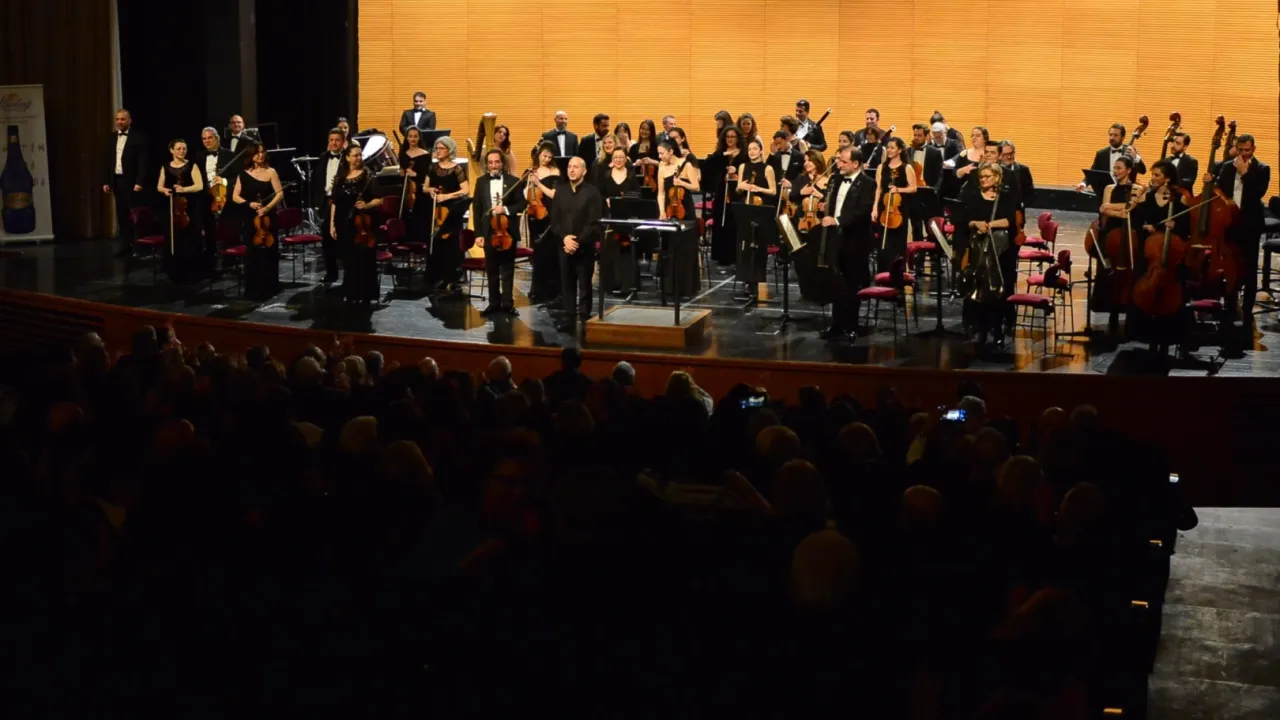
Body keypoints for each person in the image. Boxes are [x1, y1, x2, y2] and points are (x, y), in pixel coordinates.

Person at [1130, 159, 1191, 355]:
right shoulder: (1147, 197)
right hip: (1151, 252)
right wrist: (1145, 226)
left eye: (1157, 175)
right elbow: (1137, 221)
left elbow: (1187, 229)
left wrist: (1176, 225)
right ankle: (1144, 330)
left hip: (1171, 253)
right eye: (1152, 174)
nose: (1153, 178)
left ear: (1168, 178)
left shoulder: (1180, 199)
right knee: (1141, 281)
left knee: (1174, 285)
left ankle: (1169, 332)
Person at [960, 162, 1018, 350]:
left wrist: (989, 225)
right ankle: (979, 329)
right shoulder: (972, 196)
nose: (983, 180)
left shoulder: (1005, 196)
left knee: (998, 292)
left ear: (997, 178)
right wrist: (975, 223)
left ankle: (998, 330)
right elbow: (965, 220)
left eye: (987, 176)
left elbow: (1009, 220)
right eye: (981, 177)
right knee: (977, 289)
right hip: (978, 249)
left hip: (1000, 251)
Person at [1213, 134, 1272, 319]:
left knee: (1250, 268)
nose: (1244, 154)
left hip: (1250, 225)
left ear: (1253, 149)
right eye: (1240, 150)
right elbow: (1219, 190)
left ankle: (1247, 310)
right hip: (1229, 223)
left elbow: (1257, 194)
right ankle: (1230, 306)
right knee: (1229, 266)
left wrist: (1245, 173)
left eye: (1247, 150)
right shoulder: (1226, 167)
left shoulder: (1262, 168)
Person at [821, 147, 876, 340]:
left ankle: (851, 325)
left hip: (855, 240)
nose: (839, 164)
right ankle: (837, 324)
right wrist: (825, 207)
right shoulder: (836, 179)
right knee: (836, 282)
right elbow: (834, 204)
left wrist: (837, 220)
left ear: (856, 163)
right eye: (838, 160)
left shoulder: (868, 183)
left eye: (843, 161)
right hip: (836, 237)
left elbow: (862, 211)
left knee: (852, 283)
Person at [549, 157, 603, 332]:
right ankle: (569, 316)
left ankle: (585, 317)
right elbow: (555, 221)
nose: (571, 170)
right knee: (567, 282)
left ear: (584, 171)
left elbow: (593, 223)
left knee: (585, 283)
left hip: (584, 246)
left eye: (576, 167)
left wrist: (577, 242)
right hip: (564, 245)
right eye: (570, 167)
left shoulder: (592, 193)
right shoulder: (560, 191)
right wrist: (565, 238)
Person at [472, 149, 526, 316]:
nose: (494, 165)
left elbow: (522, 204)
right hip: (489, 232)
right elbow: (477, 209)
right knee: (492, 270)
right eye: (490, 163)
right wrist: (478, 234)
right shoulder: (481, 182)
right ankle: (494, 303)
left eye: (497, 162)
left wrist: (506, 209)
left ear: (502, 163)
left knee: (508, 270)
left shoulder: (513, 181)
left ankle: (508, 304)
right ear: (487, 164)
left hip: (507, 232)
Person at [328, 144, 382, 303]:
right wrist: (332, 224)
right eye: (355, 155)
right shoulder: (340, 177)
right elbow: (334, 202)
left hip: (362, 224)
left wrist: (367, 205)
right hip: (343, 223)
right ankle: (351, 291)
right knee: (348, 259)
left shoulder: (368, 176)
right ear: (347, 157)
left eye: (360, 155)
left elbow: (380, 199)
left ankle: (364, 293)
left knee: (363, 258)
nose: (359, 158)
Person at [232, 143, 285, 300]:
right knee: (252, 253)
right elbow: (235, 196)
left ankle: (270, 286)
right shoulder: (243, 174)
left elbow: (279, 194)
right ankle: (253, 288)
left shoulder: (271, 172)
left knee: (269, 251)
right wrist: (249, 204)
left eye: (263, 152)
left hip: (268, 217)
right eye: (257, 152)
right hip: (251, 218)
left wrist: (267, 208)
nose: (261, 155)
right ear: (251, 155)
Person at [1097, 155, 1142, 335]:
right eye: (1114, 168)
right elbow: (1103, 208)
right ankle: (1113, 310)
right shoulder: (1109, 188)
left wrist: (1112, 207)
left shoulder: (1138, 188)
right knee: (1112, 272)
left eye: (1119, 168)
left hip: (1129, 232)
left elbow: (1130, 206)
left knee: (1131, 271)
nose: (1115, 171)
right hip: (1112, 232)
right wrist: (1119, 212)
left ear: (1129, 170)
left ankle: (1130, 310)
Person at [155, 138, 206, 284]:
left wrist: (184, 189)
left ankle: (191, 272)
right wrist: (165, 191)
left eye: (184, 148)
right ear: (171, 150)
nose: (182, 151)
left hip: (189, 207)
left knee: (190, 238)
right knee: (173, 238)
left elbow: (199, 186)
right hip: (172, 208)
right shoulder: (165, 167)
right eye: (179, 149)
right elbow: (159, 186)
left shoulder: (192, 165)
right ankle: (174, 270)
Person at [424, 136, 470, 292]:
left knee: (451, 244)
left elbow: (465, 190)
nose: (438, 151)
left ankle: (451, 278)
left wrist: (447, 196)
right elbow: (425, 187)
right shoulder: (432, 167)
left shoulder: (457, 169)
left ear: (449, 150)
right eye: (436, 148)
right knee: (436, 242)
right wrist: (430, 190)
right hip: (436, 211)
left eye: (441, 148)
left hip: (452, 211)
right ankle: (436, 277)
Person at [657, 139, 700, 300]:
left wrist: (681, 182)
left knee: (685, 248)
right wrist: (661, 211)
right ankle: (670, 287)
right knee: (670, 247)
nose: (660, 156)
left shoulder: (686, 165)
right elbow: (661, 193)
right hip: (669, 210)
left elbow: (696, 187)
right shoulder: (662, 168)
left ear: (670, 151)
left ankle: (686, 287)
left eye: (662, 153)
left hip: (685, 211)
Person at [734, 137, 776, 300]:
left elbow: (773, 191)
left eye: (754, 149)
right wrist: (741, 186)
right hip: (745, 207)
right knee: (744, 245)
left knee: (758, 247)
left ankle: (756, 282)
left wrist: (757, 188)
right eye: (749, 149)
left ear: (760, 151)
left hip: (760, 209)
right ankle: (745, 280)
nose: (751, 152)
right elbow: (738, 188)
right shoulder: (743, 166)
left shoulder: (767, 168)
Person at [103, 109, 147, 258]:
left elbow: (142, 162)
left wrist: (139, 181)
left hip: (132, 181)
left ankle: (138, 248)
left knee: (135, 215)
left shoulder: (137, 137)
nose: (119, 122)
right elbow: (108, 161)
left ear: (129, 120)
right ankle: (125, 246)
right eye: (117, 119)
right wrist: (107, 181)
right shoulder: (112, 138)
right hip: (117, 181)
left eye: (122, 119)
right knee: (121, 215)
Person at [873, 137, 918, 271]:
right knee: (883, 243)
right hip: (884, 208)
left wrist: (898, 189)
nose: (889, 150)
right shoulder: (881, 167)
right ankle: (882, 272)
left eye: (892, 147)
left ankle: (898, 274)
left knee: (897, 243)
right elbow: (878, 188)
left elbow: (913, 188)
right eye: (888, 147)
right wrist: (875, 208)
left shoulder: (907, 168)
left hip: (899, 209)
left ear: (900, 150)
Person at [525, 142, 562, 304]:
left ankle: (553, 290)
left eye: (549, 157)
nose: (546, 159)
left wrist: (538, 183)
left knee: (552, 253)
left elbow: (555, 195)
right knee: (539, 254)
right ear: (538, 154)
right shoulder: (532, 171)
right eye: (544, 155)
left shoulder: (557, 171)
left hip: (552, 214)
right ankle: (538, 290)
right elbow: (526, 195)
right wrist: (530, 183)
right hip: (536, 216)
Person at [598, 147, 639, 294]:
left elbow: (637, 195)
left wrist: (626, 198)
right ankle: (610, 284)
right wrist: (606, 201)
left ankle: (626, 284)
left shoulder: (631, 176)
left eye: (621, 157)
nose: (618, 160)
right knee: (609, 249)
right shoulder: (606, 175)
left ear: (626, 159)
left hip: (626, 218)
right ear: (612, 159)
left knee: (625, 250)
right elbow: (599, 195)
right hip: (610, 217)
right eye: (615, 157)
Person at [315, 128, 347, 285]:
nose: (334, 143)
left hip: (342, 203)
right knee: (327, 240)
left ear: (343, 142)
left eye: (337, 140)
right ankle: (331, 273)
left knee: (344, 240)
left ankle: (348, 276)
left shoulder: (348, 158)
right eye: (331, 140)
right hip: (326, 202)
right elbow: (317, 180)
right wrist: (318, 204)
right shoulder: (323, 157)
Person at [710, 124, 744, 265]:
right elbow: (710, 167)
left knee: (733, 222)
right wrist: (722, 156)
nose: (730, 139)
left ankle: (734, 255)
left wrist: (736, 172)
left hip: (736, 193)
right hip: (721, 191)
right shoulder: (720, 154)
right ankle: (721, 255)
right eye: (727, 137)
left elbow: (747, 172)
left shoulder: (743, 155)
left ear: (738, 138)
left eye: (733, 137)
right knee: (720, 221)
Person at [197, 127, 234, 255]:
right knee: (208, 226)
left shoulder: (229, 155)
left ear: (217, 138)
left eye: (210, 138)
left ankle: (229, 254)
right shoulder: (198, 156)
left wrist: (224, 181)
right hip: (205, 195)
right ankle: (210, 254)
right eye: (204, 138)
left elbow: (238, 177)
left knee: (227, 225)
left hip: (224, 194)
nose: (206, 141)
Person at [908, 124, 944, 243]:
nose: (916, 138)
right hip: (913, 193)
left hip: (929, 193)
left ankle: (934, 252)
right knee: (916, 227)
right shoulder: (908, 152)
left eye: (919, 135)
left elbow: (940, 174)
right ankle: (917, 251)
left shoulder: (935, 152)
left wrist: (935, 189)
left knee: (931, 227)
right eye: (915, 135)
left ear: (926, 136)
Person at [398, 127, 432, 248]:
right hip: (408, 190)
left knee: (421, 217)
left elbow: (428, 176)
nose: (413, 139)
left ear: (419, 138)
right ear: (406, 138)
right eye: (410, 136)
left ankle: (422, 246)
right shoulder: (403, 154)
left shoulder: (425, 155)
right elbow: (402, 171)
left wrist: (415, 174)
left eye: (415, 136)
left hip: (421, 190)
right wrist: (402, 172)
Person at [629, 119, 661, 197]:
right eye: (642, 128)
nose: (644, 131)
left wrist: (651, 161)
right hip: (636, 182)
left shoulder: (657, 147)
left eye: (647, 129)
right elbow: (628, 166)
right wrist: (635, 164)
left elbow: (664, 164)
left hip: (654, 181)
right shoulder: (633, 148)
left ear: (651, 131)